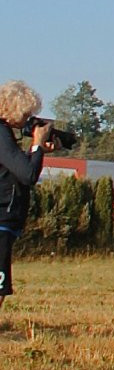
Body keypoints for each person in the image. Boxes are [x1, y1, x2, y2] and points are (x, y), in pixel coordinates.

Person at [0, 83, 54, 309]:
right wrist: (37, 146)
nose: (27, 119)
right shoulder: (1, 134)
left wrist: (37, 151)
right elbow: (28, 175)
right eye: (25, 113)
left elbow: (15, 166)